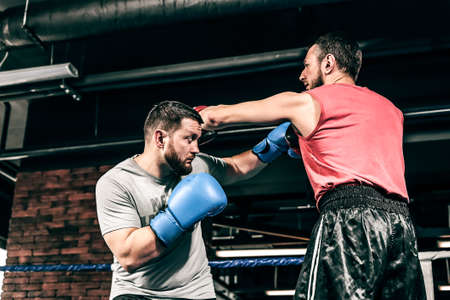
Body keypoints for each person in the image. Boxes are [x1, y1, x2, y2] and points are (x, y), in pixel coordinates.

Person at [199, 32, 426, 300]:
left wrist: (192, 118)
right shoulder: (392, 110)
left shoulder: (308, 102)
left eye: (307, 65)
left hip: (350, 218)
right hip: (401, 226)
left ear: (328, 63)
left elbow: (219, 116)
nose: (301, 75)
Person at [95, 100, 295, 300]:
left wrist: (274, 144)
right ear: (160, 138)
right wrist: (177, 217)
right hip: (137, 293)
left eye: (197, 139)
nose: (196, 149)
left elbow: (237, 167)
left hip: (194, 291)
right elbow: (129, 256)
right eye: (188, 139)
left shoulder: (195, 166)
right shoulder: (116, 183)